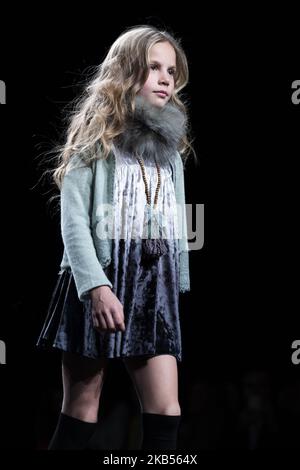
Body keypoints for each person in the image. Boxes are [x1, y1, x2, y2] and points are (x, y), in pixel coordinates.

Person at [36, 24, 194, 451]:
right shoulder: (95, 142)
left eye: (171, 71)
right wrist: (95, 287)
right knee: (82, 411)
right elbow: (73, 225)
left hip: (152, 286)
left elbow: (174, 225)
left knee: (167, 414)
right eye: (153, 68)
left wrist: (176, 278)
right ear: (126, 73)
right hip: (102, 278)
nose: (166, 78)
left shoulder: (169, 149)